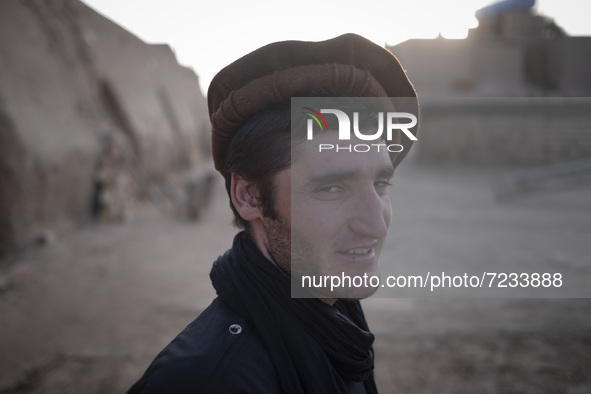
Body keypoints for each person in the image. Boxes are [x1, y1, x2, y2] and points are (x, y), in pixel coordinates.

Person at [127, 33, 418, 394]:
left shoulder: (335, 317)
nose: (376, 224)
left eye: (380, 185)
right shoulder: (204, 382)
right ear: (248, 196)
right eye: (331, 188)